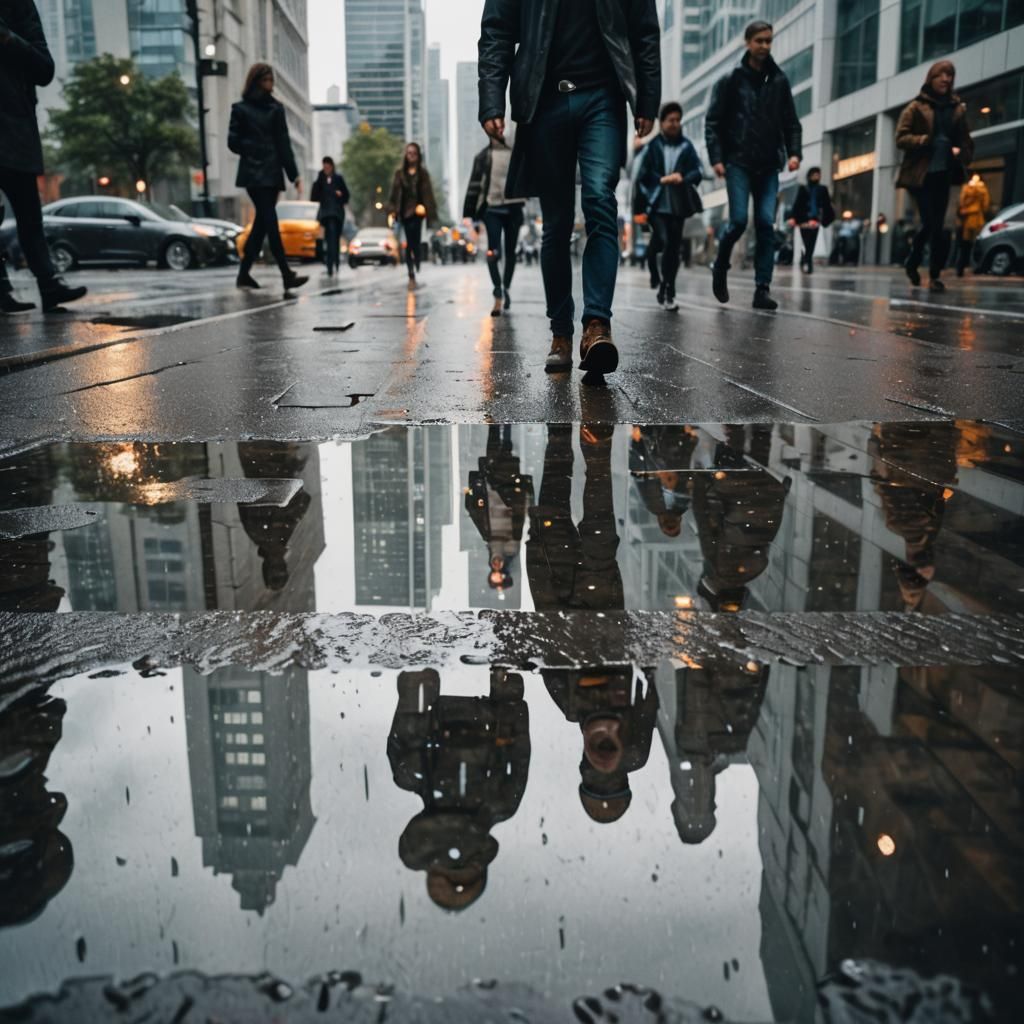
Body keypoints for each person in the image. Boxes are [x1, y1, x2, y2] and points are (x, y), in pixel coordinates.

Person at [478, 0, 661, 374]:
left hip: (603, 97)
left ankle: (596, 326)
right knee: (557, 223)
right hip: (544, 100)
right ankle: (560, 332)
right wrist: (491, 100)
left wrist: (648, 97)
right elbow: (496, 32)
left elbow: (644, 30)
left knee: (599, 198)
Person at [387, 667, 530, 911]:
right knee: (406, 772)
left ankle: (419, 678)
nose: (454, 856)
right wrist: (509, 698)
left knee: (406, 773)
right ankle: (420, 680)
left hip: (449, 729)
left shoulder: (411, 775)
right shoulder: (500, 803)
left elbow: (519, 750)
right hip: (484, 724)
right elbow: (518, 751)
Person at [705, 19, 802, 311]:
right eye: (759, 40)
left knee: (765, 224)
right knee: (737, 221)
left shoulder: (780, 80)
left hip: (769, 163)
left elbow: (791, 123)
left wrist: (794, 152)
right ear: (747, 42)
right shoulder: (731, 79)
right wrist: (717, 159)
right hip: (737, 162)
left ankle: (762, 288)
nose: (764, 46)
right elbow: (713, 122)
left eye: (768, 41)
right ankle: (720, 264)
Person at [0, 0, 86, 313]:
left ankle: (49, 285)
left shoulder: (18, 5)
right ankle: (4, 289)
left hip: (16, 128)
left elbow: (45, 69)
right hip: (16, 127)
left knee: (30, 216)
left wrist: (8, 39)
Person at [229, 62, 307, 293]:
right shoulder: (240, 109)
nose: (270, 84)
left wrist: (294, 175)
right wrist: (255, 147)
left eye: (271, 80)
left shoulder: (277, 109)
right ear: (255, 81)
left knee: (261, 227)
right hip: (254, 175)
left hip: (272, 174)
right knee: (271, 223)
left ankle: (244, 274)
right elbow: (232, 142)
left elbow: (284, 144)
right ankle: (286, 273)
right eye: (266, 80)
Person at [896, 60, 974, 292]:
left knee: (939, 228)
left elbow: (967, 142)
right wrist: (923, 140)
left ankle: (935, 275)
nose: (946, 79)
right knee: (930, 223)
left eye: (950, 75)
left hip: (945, 174)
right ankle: (913, 261)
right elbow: (901, 138)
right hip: (921, 175)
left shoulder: (957, 109)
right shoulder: (916, 107)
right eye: (941, 75)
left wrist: (961, 152)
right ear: (932, 78)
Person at [635, 101, 704, 311]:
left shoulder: (686, 146)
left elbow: (698, 171)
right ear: (662, 123)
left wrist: (681, 177)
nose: (675, 124)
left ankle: (668, 288)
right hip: (656, 204)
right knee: (664, 242)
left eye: (677, 120)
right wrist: (660, 181)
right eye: (670, 120)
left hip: (679, 205)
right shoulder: (652, 146)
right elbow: (642, 176)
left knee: (673, 248)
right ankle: (655, 273)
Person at [465, 425, 533, 594]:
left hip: (493, 489)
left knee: (494, 447)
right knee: (506, 449)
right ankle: (506, 422)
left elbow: (475, 513)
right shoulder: (511, 551)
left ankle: (496, 421)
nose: (495, 568)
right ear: (504, 571)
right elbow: (518, 519)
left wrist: (473, 493)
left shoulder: (488, 543)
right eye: (499, 572)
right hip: (506, 492)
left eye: (493, 572)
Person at [464, 133, 526, 316]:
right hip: (492, 210)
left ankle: (506, 287)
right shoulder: (482, 156)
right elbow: (474, 185)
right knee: (493, 251)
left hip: (514, 207)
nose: (499, 129)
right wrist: (469, 214)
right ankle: (497, 291)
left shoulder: (516, 153)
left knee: (511, 252)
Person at [388, 142, 437, 287]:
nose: (411, 156)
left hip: (418, 213)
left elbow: (429, 195)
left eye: (414, 153)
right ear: (405, 155)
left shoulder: (423, 174)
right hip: (404, 213)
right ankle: (411, 273)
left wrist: (430, 211)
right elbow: (394, 195)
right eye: (409, 153)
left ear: (418, 155)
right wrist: (392, 210)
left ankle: (417, 260)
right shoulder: (399, 174)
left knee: (415, 241)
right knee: (409, 242)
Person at [787, 166, 834, 273]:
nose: (816, 176)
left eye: (818, 174)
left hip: (816, 219)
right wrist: (793, 217)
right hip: (803, 220)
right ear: (809, 176)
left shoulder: (823, 189)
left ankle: (807, 262)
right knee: (806, 241)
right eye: (814, 174)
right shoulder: (803, 188)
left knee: (811, 242)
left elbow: (827, 205)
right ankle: (806, 260)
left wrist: (826, 219)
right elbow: (797, 204)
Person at [310, 156, 349, 277]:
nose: (326, 169)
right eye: (324, 167)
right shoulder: (320, 180)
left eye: (328, 166)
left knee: (335, 239)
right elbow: (313, 197)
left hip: (337, 215)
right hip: (325, 215)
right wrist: (319, 178)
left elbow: (346, 196)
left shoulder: (338, 179)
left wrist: (340, 195)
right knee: (324, 239)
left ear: (332, 166)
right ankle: (328, 264)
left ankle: (335, 262)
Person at [956, 173, 989, 277]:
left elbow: (961, 202)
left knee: (964, 245)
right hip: (976, 218)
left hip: (966, 219)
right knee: (974, 244)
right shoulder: (982, 190)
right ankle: (974, 265)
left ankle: (960, 266)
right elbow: (985, 205)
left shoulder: (967, 188)